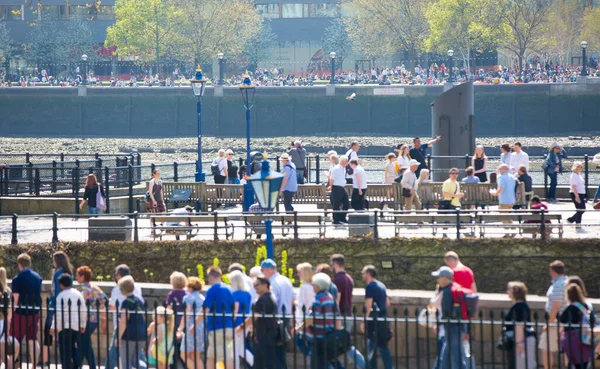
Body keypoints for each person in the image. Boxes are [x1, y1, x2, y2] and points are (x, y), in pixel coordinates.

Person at [296, 273, 341, 369]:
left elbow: (311, 318)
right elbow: (336, 315)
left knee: (317, 363)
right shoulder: (330, 297)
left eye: (313, 284)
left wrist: (299, 328)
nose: (312, 286)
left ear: (318, 286)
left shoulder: (317, 299)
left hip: (317, 336)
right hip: (328, 334)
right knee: (327, 360)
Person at [105, 265, 145, 369]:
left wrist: (118, 337)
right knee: (137, 359)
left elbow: (123, 320)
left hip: (125, 332)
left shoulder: (120, 295)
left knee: (119, 356)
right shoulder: (138, 295)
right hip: (139, 331)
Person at [430, 266, 467, 369]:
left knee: (457, 359)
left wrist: (439, 323)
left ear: (445, 278)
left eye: (439, 277)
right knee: (445, 358)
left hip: (451, 328)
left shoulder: (447, 292)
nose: (437, 279)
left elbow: (446, 312)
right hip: (458, 327)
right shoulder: (456, 288)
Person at [237, 275, 277, 369]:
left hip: (264, 334)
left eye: (257, 285)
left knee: (261, 362)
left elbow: (254, 316)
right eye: (254, 285)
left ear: (265, 285)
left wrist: (241, 327)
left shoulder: (262, 299)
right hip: (269, 333)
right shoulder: (271, 297)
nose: (255, 287)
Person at [260, 259, 295, 369]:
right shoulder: (285, 280)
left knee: (273, 350)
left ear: (268, 270)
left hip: (276, 318)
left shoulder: (272, 283)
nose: (262, 272)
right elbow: (293, 298)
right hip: (286, 316)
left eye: (262, 270)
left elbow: (272, 302)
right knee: (280, 348)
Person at [199, 266, 234, 369]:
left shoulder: (212, 290)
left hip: (217, 327)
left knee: (224, 356)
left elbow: (205, 309)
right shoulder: (229, 289)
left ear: (210, 277)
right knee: (211, 356)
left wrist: (195, 325)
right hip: (228, 326)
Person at [10, 253, 42, 367]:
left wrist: (10, 315)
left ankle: (13, 362)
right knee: (32, 339)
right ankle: (34, 364)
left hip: (20, 313)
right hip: (35, 312)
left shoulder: (17, 279)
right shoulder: (38, 277)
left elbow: (15, 299)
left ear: (19, 264)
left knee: (15, 340)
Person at [51, 274, 87, 369]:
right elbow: (83, 310)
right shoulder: (78, 294)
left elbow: (58, 314)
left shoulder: (61, 296)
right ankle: (77, 365)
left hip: (64, 327)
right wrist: (83, 324)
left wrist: (54, 327)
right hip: (76, 325)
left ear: (61, 285)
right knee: (74, 348)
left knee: (65, 350)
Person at [75, 266, 107, 369]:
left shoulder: (78, 289)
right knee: (85, 342)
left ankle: (77, 365)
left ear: (82, 276)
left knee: (82, 343)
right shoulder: (96, 289)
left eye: (77, 275)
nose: (76, 278)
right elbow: (102, 305)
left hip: (82, 321)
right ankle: (92, 366)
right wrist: (103, 321)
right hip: (94, 321)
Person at [362, 265, 392, 369]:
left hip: (374, 321)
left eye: (363, 273)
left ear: (369, 274)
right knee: (381, 347)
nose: (362, 275)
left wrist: (364, 321)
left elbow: (368, 306)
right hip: (384, 319)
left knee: (373, 348)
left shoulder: (370, 287)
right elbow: (387, 302)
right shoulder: (382, 285)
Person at [539, 260, 568, 369]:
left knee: (545, 347)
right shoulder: (566, 281)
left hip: (555, 321)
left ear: (553, 271)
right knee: (567, 348)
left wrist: (549, 323)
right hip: (563, 321)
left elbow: (556, 306)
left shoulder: (558, 285)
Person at [559, 284, 595, 369]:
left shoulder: (568, 308)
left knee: (574, 363)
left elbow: (561, 321)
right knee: (584, 363)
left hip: (572, 339)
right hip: (585, 337)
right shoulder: (585, 306)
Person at [504, 282, 536, 369]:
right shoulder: (524, 305)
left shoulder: (518, 307)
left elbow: (519, 325)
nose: (508, 292)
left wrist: (519, 343)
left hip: (519, 341)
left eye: (509, 290)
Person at [117, 276, 147, 369]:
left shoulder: (126, 303)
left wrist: (118, 337)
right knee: (135, 362)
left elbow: (123, 321)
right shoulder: (139, 301)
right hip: (141, 335)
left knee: (125, 363)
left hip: (129, 336)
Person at [178, 277, 205, 369]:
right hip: (201, 328)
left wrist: (180, 329)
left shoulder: (188, 297)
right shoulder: (202, 298)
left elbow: (187, 314)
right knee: (196, 356)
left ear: (190, 287)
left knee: (183, 354)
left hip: (191, 329)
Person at [229, 270, 253, 369]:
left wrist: (230, 323)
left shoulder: (235, 294)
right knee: (240, 348)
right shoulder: (247, 294)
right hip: (246, 322)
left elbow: (235, 310)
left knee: (234, 350)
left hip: (237, 324)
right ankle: (255, 363)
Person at [328, 155, 349, 225]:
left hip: (342, 187)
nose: (348, 162)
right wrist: (331, 186)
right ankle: (336, 220)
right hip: (336, 187)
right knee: (336, 205)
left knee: (346, 204)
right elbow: (332, 178)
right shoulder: (336, 169)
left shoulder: (344, 168)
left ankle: (342, 218)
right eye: (347, 161)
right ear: (343, 161)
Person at [568, 161, 586, 227]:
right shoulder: (574, 175)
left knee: (580, 209)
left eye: (581, 166)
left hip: (581, 194)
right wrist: (577, 196)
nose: (581, 168)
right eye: (579, 166)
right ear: (575, 167)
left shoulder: (578, 175)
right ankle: (571, 220)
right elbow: (573, 186)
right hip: (576, 194)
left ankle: (578, 223)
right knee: (581, 209)